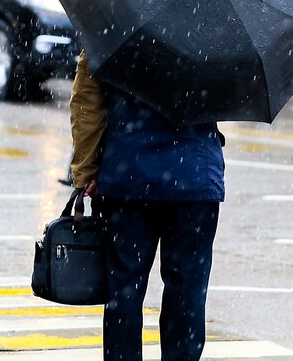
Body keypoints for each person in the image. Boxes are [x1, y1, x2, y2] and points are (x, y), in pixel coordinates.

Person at [69, 51, 225, 361]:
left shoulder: (113, 21)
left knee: (124, 289)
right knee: (187, 293)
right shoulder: (215, 26)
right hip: (194, 179)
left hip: (130, 177)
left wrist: (86, 170)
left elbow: (87, 102)